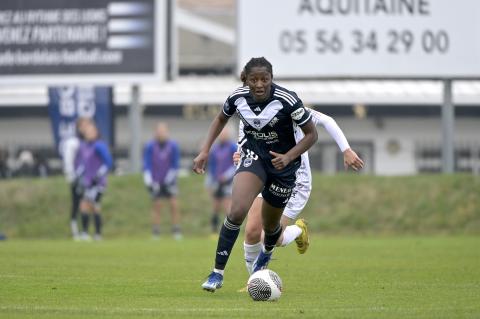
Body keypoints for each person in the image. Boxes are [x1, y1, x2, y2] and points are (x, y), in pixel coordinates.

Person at [193, 57, 318, 292]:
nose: (259, 84)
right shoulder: (237, 97)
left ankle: (266, 256)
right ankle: (216, 273)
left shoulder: (287, 99)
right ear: (246, 80)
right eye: (254, 79)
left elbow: (312, 134)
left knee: (271, 229)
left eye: (265, 79)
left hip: (283, 167)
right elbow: (220, 118)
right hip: (254, 159)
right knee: (237, 211)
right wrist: (204, 151)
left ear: (271, 79)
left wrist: (289, 156)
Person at [237, 108, 364, 275]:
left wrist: (346, 149)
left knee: (269, 237)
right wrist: (240, 156)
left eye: (263, 81)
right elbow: (244, 145)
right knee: (252, 231)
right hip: (266, 176)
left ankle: (298, 230)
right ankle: (254, 281)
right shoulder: (246, 111)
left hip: (296, 181)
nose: (258, 87)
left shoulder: (287, 105)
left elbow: (327, 120)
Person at [143, 123, 182, 240]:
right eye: (158, 131)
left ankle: (176, 230)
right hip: (156, 181)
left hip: (169, 181)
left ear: (167, 132)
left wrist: (168, 179)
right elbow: (147, 164)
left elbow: (175, 165)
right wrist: (149, 179)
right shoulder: (150, 146)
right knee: (157, 205)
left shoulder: (173, 146)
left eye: (163, 131)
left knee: (174, 204)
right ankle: (156, 231)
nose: (161, 133)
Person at [76, 123, 113, 241]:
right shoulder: (83, 146)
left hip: (98, 182)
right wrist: (79, 173)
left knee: (94, 205)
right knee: (84, 205)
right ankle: (85, 233)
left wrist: (98, 175)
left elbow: (108, 163)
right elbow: (81, 163)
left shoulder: (99, 146)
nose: (88, 133)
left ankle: (97, 234)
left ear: (96, 133)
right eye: (87, 131)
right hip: (87, 181)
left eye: (91, 131)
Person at [63, 117, 92, 240]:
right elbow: (68, 160)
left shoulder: (90, 143)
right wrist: (70, 175)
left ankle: (85, 231)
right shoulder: (73, 142)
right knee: (76, 203)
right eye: (84, 125)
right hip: (77, 178)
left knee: (87, 203)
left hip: (88, 178)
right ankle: (75, 232)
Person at [205, 127, 237, 234]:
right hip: (217, 181)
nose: (223, 136)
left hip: (229, 181)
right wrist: (209, 182)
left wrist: (226, 176)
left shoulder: (233, 147)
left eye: (225, 133)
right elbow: (211, 166)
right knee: (215, 206)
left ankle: (229, 231)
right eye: (221, 134)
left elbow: (236, 165)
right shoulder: (215, 148)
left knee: (227, 206)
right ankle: (214, 230)